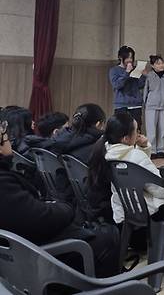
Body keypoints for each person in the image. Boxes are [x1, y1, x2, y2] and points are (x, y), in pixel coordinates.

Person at [0, 117, 120, 277]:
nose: (10, 142)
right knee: (107, 237)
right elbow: (37, 218)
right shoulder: (3, 184)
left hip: (24, 252)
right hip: (38, 258)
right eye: (7, 138)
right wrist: (64, 208)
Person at [88, 111, 164, 226]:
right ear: (126, 138)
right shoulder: (134, 156)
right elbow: (159, 189)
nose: (138, 134)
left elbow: (139, 169)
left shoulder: (107, 153)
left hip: (122, 211)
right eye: (136, 131)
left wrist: (143, 148)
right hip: (145, 211)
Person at [109, 45, 148, 131]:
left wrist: (144, 76)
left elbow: (140, 85)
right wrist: (127, 72)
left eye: (131, 57)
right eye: (127, 57)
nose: (130, 60)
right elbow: (117, 85)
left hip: (136, 104)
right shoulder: (114, 70)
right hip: (121, 105)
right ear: (120, 57)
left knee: (136, 130)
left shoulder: (135, 69)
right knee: (121, 130)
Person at [143, 55, 164, 159]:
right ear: (152, 65)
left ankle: (161, 150)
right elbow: (146, 90)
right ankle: (152, 150)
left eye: (162, 63)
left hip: (163, 105)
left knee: (163, 129)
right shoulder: (149, 75)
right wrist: (146, 103)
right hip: (151, 105)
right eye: (158, 63)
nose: (161, 65)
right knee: (151, 130)